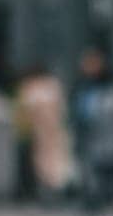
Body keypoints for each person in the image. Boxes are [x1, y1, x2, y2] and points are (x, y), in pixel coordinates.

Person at [69, 46, 113, 215]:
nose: (89, 67)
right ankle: (91, 197)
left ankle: (103, 196)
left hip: (105, 135)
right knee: (88, 168)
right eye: (87, 63)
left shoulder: (110, 86)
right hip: (86, 135)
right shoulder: (80, 85)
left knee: (106, 168)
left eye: (93, 63)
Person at [13, 65, 78, 207]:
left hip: (44, 135)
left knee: (47, 166)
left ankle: (50, 195)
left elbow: (25, 111)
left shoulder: (32, 90)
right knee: (54, 165)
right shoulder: (52, 88)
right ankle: (54, 194)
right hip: (50, 134)